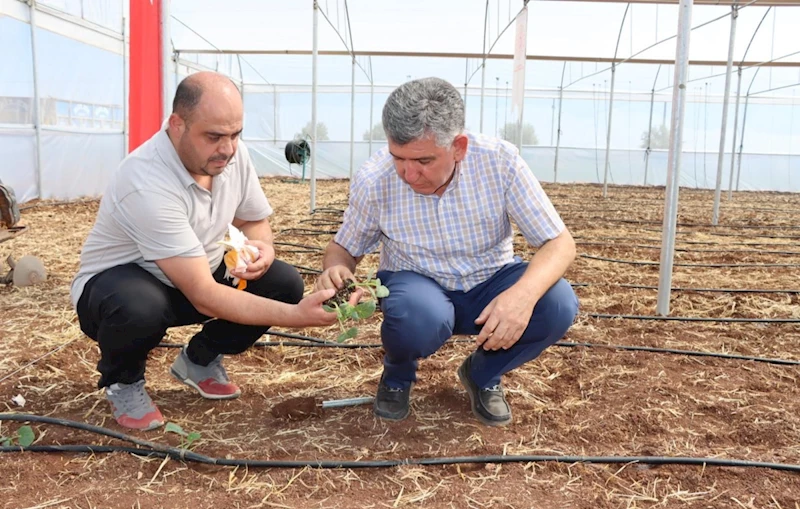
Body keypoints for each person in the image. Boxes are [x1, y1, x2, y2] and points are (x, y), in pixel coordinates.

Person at [72, 72, 354, 431]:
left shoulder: (233, 156)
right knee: (139, 307)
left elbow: (253, 219)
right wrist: (299, 316)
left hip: (193, 276)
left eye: (235, 134)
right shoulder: (145, 179)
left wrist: (262, 246)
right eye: (214, 136)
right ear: (177, 125)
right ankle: (123, 381)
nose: (228, 148)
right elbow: (204, 295)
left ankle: (199, 360)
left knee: (282, 281)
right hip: (120, 289)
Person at [316, 77, 579, 427]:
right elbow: (343, 249)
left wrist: (522, 296)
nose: (409, 173)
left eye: (423, 160)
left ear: (459, 147)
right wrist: (337, 271)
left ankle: (483, 373)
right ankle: (397, 376)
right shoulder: (375, 179)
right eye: (398, 158)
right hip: (417, 285)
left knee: (557, 304)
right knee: (416, 316)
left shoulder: (500, 162)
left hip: (490, 281)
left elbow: (559, 243)